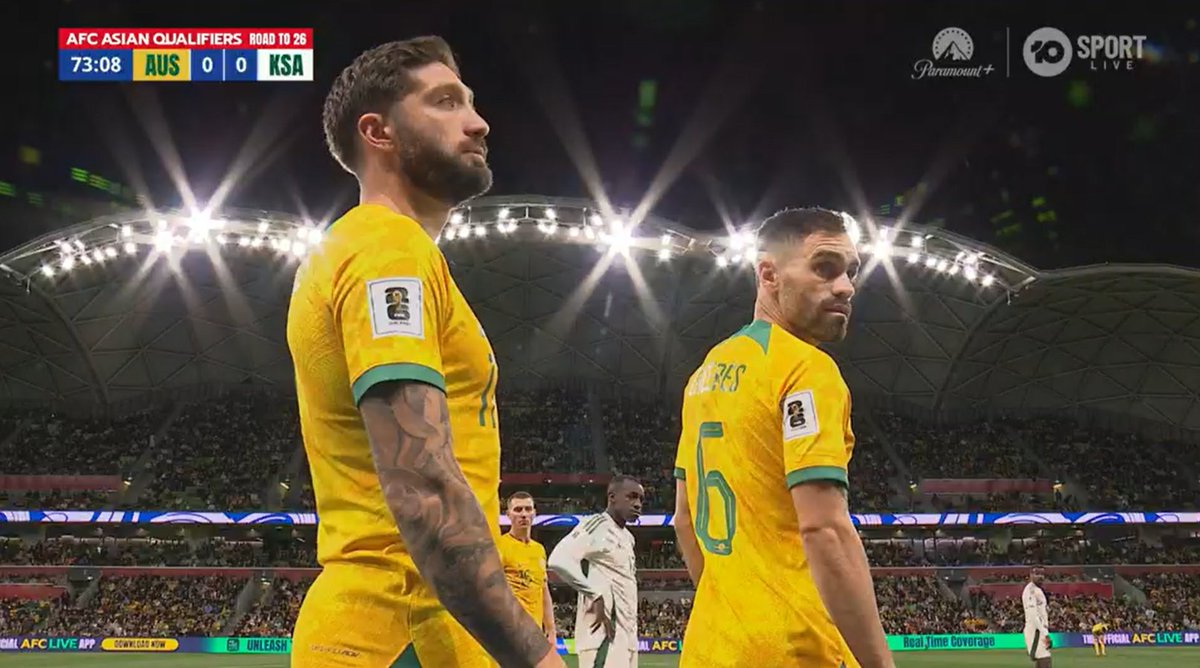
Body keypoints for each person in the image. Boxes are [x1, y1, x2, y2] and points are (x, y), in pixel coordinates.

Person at [287, 36, 562, 668]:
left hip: (393, 623)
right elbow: (424, 486)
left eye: (470, 102)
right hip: (405, 623)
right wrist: (537, 657)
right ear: (377, 132)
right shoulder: (388, 250)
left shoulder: (357, 248)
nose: (478, 121)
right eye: (444, 102)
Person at [672, 208, 892, 668]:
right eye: (824, 268)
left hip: (711, 646)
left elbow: (684, 520)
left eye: (851, 272)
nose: (846, 287)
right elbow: (824, 530)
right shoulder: (806, 369)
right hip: (796, 647)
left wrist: (737, 610)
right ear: (769, 274)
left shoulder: (703, 376)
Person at [547, 475, 643, 668]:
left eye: (641, 499)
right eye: (631, 496)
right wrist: (595, 594)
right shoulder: (596, 525)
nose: (638, 504)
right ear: (612, 497)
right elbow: (559, 559)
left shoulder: (628, 537)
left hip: (627, 639)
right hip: (603, 639)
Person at [498, 491, 557, 642]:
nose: (524, 514)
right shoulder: (499, 546)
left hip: (535, 632)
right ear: (508, 515)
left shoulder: (539, 549)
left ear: (534, 513)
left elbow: (543, 589)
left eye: (528, 509)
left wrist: (551, 629)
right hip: (509, 632)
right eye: (518, 510)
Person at [1023, 566, 1052, 667]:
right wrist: (1045, 633)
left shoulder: (1038, 590)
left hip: (1039, 629)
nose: (1040, 577)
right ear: (1031, 575)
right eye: (1037, 574)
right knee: (1045, 658)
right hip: (1035, 630)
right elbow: (1033, 615)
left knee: (1043, 659)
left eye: (1042, 574)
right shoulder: (1030, 591)